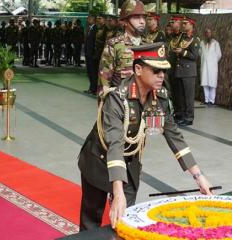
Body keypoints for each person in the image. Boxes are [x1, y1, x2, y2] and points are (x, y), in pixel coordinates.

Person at [77, 42, 213, 231]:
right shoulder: (116, 99)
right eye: (156, 71)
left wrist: (199, 177)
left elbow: (175, 137)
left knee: (125, 219)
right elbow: (115, 145)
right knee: (91, 222)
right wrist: (117, 191)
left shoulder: (160, 99)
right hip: (98, 160)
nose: (161, 76)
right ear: (138, 69)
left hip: (130, 162)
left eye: (163, 71)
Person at [98, 0, 149, 97]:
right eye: (136, 17)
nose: (142, 21)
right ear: (125, 21)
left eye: (144, 17)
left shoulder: (150, 45)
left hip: (146, 104)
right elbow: (104, 83)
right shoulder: (114, 46)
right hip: (122, 104)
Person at [173, 16, 200, 126]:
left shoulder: (195, 40)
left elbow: (194, 56)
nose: (183, 26)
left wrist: (183, 52)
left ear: (191, 25)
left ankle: (189, 117)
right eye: (183, 24)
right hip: (180, 70)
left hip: (189, 72)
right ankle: (183, 115)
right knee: (181, 95)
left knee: (189, 96)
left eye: (185, 24)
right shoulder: (183, 38)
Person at [200, 28, 222, 105]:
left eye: (209, 32)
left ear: (211, 34)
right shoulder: (202, 43)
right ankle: (206, 100)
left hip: (213, 67)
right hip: (204, 66)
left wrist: (213, 61)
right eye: (206, 33)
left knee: (212, 84)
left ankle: (212, 100)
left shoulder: (216, 43)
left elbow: (219, 55)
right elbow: (200, 53)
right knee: (205, 83)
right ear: (205, 34)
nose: (208, 34)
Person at [84, 14, 97, 94]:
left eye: (89, 18)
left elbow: (95, 43)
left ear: (93, 19)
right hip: (88, 53)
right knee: (89, 72)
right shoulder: (89, 28)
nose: (88, 20)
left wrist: (94, 54)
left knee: (93, 72)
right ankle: (91, 88)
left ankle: (94, 89)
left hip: (92, 54)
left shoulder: (95, 29)